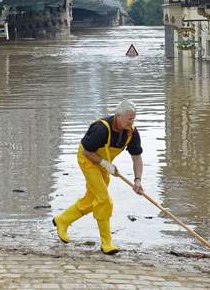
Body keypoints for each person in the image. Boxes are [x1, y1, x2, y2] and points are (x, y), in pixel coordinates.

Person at [53, 101, 143, 255]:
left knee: (92, 199)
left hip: (103, 164)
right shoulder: (100, 129)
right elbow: (87, 152)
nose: (132, 122)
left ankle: (63, 219)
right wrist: (105, 164)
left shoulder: (131, 133)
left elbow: (137, 158)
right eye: (129, 119)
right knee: (104, 199)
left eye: (133, 119)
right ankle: (106, 243)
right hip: (88, 160)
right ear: (118, 116)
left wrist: (137, 180)